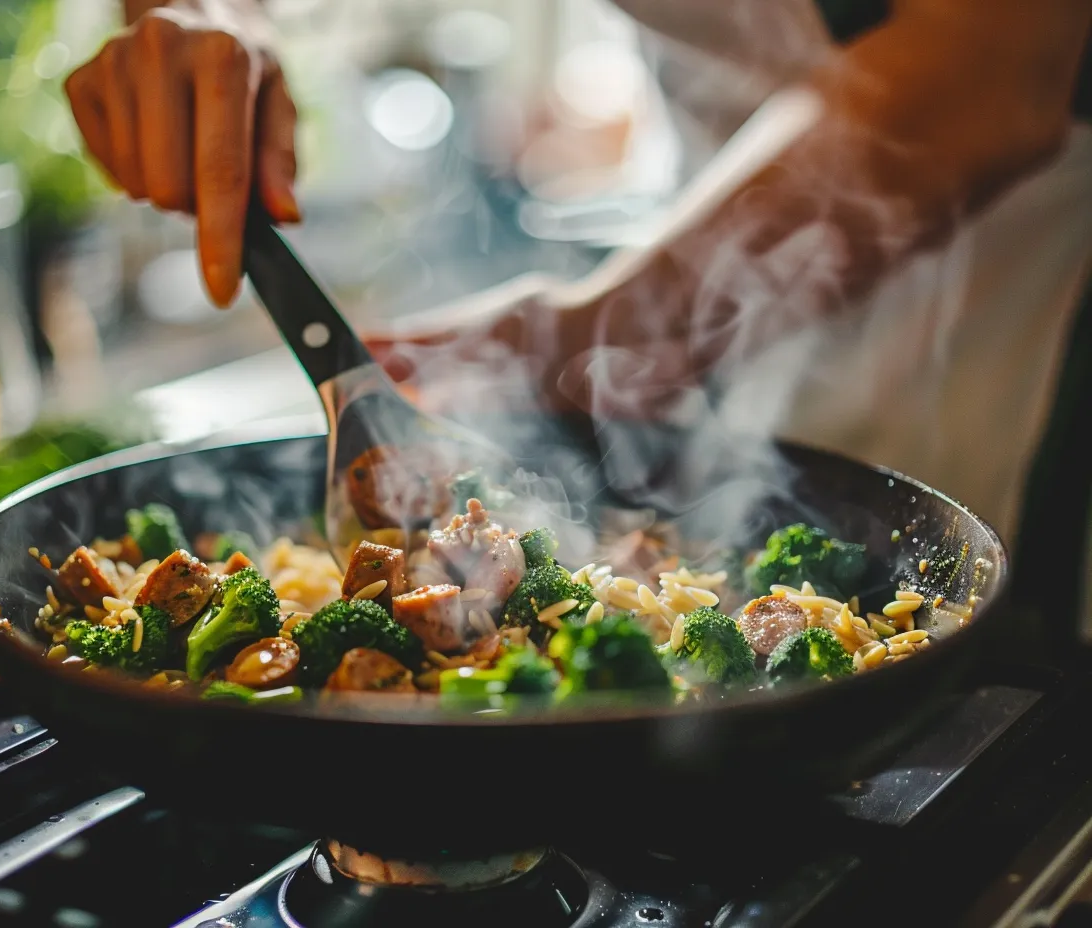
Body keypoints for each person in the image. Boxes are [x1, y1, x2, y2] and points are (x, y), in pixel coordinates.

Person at [66, 1, 1092, 634]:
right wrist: (207, 14)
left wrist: (619, 320)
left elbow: (990, 68)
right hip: (705, 246)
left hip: (1015, 312)